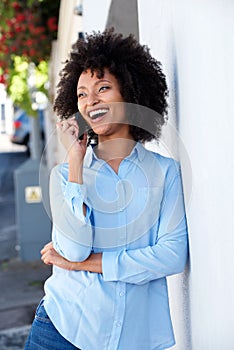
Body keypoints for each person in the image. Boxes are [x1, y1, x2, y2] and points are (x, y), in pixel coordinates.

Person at [24, 29, 188, 350]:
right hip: (62, 330)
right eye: (82, 94)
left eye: (103, 88)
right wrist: (75, 160)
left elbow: (171, 256)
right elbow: (72, 250)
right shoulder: (65, 176)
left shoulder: (164, 173)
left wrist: (82, 265)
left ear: (131, 93)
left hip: (134, 340)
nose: (91, 101)